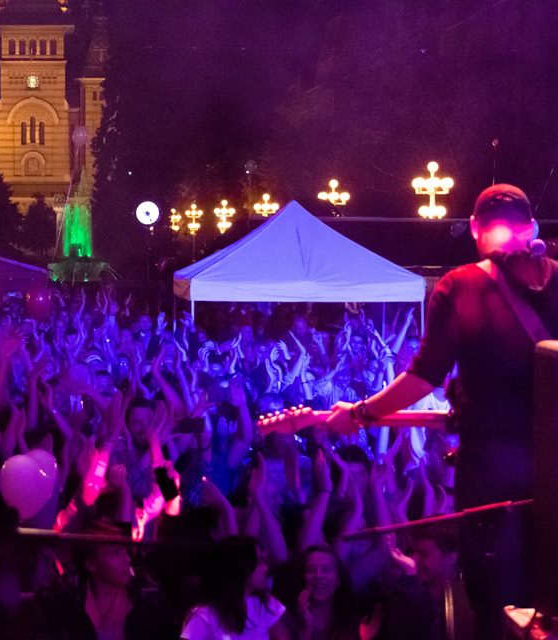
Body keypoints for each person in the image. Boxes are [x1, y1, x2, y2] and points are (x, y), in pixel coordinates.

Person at [326, 184, 557, 638]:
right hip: (555, 477)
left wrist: (360, 413)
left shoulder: (461, 286)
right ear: (530, 229)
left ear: (474, 229)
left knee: (498, 606)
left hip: (492, 481)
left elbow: (423, 378)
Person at [180, 536, 290, 640]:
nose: (265, 568)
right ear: (242, 569)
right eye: (259, 562)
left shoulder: (264, 603)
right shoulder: (205, 615)